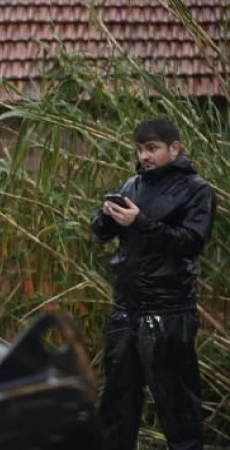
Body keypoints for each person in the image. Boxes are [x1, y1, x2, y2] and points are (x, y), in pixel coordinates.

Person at [91, 118, 215, 450]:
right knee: (117, 399)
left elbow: (191, 241)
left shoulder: (197, 190)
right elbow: (99, 234)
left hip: (168, 310)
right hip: (125, 308)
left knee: (176, 402)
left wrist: (141, 222)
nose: (144, 156)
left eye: (152, 148)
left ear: (174, 149)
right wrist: (105, 216)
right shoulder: (132, 185)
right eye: (140, 149)